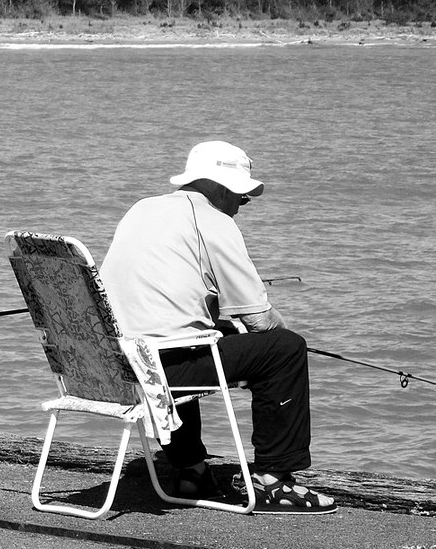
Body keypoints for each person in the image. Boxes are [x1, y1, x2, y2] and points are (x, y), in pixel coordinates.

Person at [99, 140, 336, 514]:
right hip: (161, 372)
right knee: (286, 348)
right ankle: (274, 482)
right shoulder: (214, 221)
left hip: (110, 366)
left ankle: (190, 469)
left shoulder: (142, 209)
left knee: (195, 336)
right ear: (224, 188)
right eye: (243, 198)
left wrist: (220, 325)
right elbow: (261, 321)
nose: (243, 206)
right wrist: (267, 337)